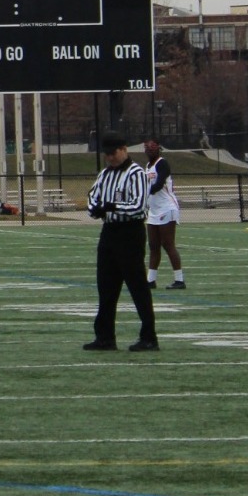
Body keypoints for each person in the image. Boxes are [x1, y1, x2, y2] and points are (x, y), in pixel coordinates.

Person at [84, 133, 159, 352]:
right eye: (106, 154)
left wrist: (112, 207)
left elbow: (138, 206)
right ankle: (105, 337)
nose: (110, 157)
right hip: (109, 232)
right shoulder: (105, 174)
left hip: (130, 233)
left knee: (137, 287)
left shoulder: (136, 173)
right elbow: (92, 197)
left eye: (113, 153)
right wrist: (96, 209)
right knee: (106, 287)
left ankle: (149, 337)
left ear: (124, 149)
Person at [143, 139, 185, 290]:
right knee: (153, 246)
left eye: (152, 148)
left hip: (167, 208)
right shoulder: (147, 166)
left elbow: (159, 184)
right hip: (154, 211)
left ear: (158, 149)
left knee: (168, 244)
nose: (150, 150)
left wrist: (144, 192)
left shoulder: (162, 164)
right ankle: (150, 280)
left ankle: (179, 280)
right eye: (147, 148)